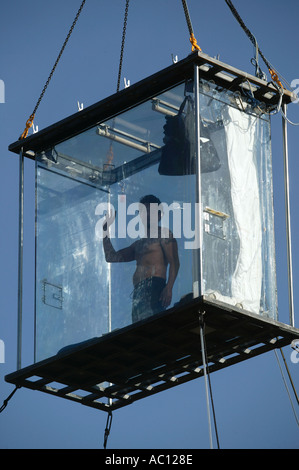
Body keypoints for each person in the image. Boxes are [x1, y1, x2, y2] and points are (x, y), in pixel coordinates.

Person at [103, 195, 180, 323]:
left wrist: (169, 287)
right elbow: (111, 257)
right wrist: (105, 230)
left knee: (152, 326)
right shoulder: (138, 244)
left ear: (159, 215)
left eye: (151, 211)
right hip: (138, 291)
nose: (147, 214)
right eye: (144, 211)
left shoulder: (164, 234)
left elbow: (174, 262)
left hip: (154, 286)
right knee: (138, 328)